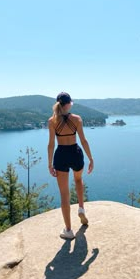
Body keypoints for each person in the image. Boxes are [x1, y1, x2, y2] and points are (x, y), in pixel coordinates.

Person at [47, 92, 94, 239]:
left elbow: (51, 144)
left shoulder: (52, 121)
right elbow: (84, 141)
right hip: (75, 152)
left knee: (64, 194)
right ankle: (81, 208)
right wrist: (91, 159)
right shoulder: (77, 119)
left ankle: (68, 230)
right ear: (68, 104)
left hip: (61, 155)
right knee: (78, 180)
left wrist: (49, 164)